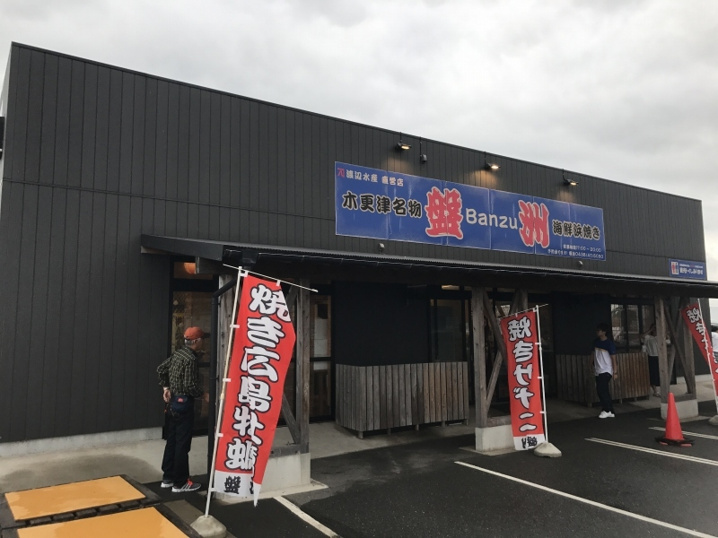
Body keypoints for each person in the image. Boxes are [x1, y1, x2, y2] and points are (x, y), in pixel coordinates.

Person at [157, 326, 208, 493]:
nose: (203, 342)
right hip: (184, 404)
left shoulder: (178, 354)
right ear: (197, 341)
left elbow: (161, 369)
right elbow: (189, 385)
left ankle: (168, 478)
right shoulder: (191, 359)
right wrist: (203, 394)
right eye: (202, 339)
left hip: (172, 403)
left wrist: (166, 388)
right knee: (182, 444)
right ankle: (180, 483)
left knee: (172, 441)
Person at [594, 322, 617, 419]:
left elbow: (613, 358)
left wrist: (615, 372)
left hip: (606, 370)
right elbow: (592, 354)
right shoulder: (596, 342)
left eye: (599, 330)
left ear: (604, 332)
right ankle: (610, 410)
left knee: (601, 390)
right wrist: (590, 365)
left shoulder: (609, 344)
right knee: (603, 390)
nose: (597, 332)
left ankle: (606, 410)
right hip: (598, 369)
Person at [641, 324, 661, 397]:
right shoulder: (648, 337)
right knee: (653, 374)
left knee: (659, 374)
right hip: (651, 357)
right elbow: (642, 336)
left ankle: (659, 390)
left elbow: (667, 339)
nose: (655, 330)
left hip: (659, 357)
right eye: (654, 329)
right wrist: (650, 330)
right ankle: (655, 391)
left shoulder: (659, 337)